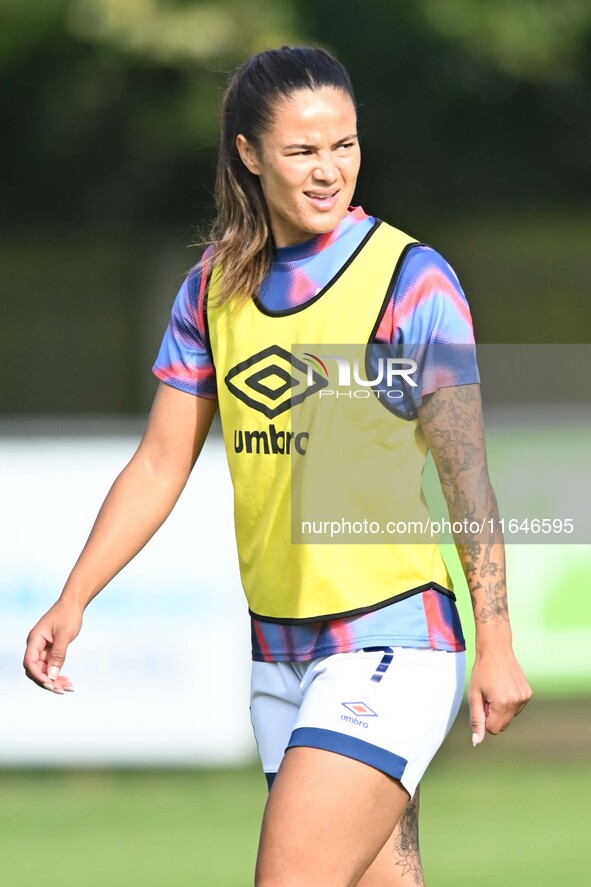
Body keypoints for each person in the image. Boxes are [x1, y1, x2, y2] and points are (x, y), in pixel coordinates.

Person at [23, 45, 532, 886]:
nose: (328, 169)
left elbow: (465, 475)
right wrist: (74, 597)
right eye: (302, 151)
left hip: (390, 643)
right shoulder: (212, 289)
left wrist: (497, 640)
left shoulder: (411, 279)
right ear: (249, 154)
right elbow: (159, 464)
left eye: (345, 144)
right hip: (278, 656)